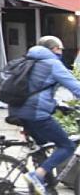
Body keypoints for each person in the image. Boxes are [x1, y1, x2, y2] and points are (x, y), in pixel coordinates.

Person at [10, 35, 80, 194]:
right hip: (36, 114)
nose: (62, 52)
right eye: (60, 48)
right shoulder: (53, 64)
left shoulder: (28, 61)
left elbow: (36, 90)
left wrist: (56, 107)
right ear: (54, 49)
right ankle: (38, 175)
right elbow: (76, 87)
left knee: (42, 146)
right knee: (67, 146)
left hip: (18, 112)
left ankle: (46, 188)